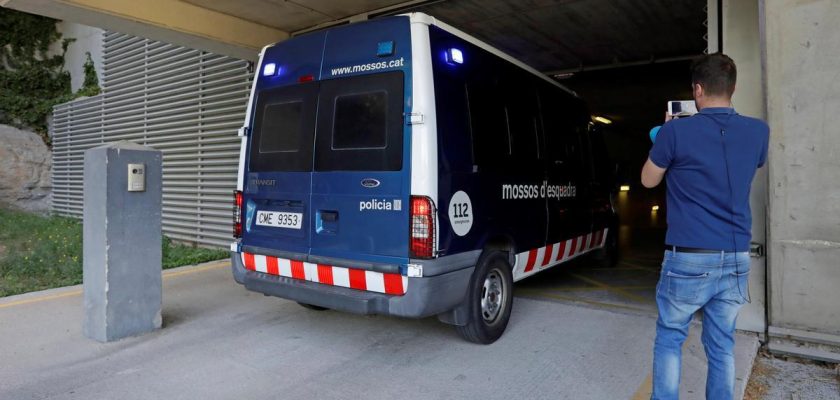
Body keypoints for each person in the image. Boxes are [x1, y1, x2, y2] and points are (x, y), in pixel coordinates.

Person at [641, 53, 769, 400]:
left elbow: (648, 180)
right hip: (736, 257)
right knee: (722, 344)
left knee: (670, 336)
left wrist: (666, 134)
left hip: (688, 257)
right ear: (733, 88)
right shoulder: (758, 131)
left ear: (696, 90)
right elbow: (745, 168)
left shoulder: (674, 132)